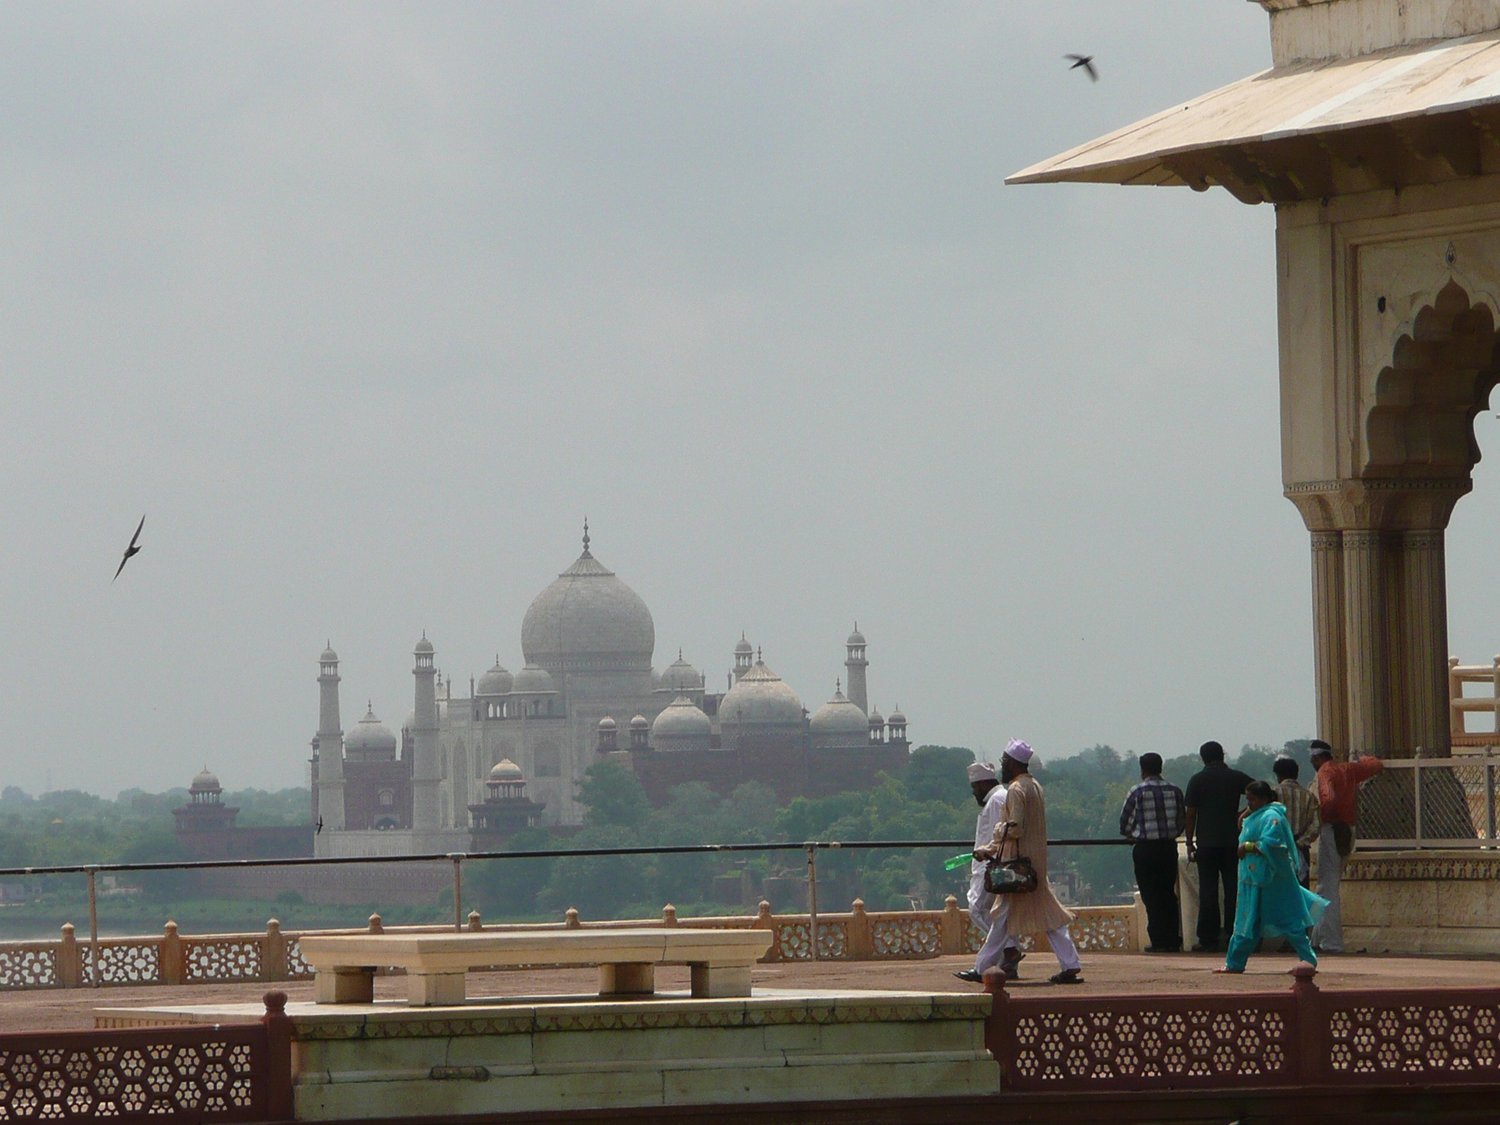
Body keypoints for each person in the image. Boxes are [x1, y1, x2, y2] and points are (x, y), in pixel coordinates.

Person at [975, 739, 1084, 984]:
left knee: (1001, 918)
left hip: (1016, 867)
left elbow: (1014, 828)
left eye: (1004, 762)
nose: (1002, 766)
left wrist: (996, 831)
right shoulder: (1034, 786)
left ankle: (981, 968)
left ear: (1013, 763)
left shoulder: (1016, 789)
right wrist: (988, 849)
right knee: (1050, 918)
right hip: (1033, 864)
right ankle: (1070, 964)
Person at [1214, 780, 1329, 974]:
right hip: (1252, 879)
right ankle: (1234, 963)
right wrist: (1247, 812)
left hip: (1270, 879)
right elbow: (1242, 825)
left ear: (1264, 798)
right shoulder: (1256, 815)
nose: (1249, 803)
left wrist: (1248, 847)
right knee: (1247, 921)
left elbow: (1273, 843)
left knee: (1289, 920)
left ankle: (1308, 960)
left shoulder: (1272, 816)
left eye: (1252, 799)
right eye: (1247, 799)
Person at [1309, 740, 1384, 953]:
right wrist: (1365, 758)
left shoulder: (1325, 772)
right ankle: (1316, 938)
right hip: (1348, 830)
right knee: (1328, 884)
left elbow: (1329, 799)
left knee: (1327, 886)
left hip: (1332, 829)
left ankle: (1331, 941)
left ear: (1317, 758)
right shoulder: (1348, 769)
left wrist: (1322, 820)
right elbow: (1375, 766)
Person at [954, 761, 1021, 983]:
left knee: (978, 907)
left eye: (975, 787)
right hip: (987, 864)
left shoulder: (997, 800)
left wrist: (988, 856)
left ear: (983, 784)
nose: (974, 792)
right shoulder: (997, 798)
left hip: (990, 865)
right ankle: (1007, 959)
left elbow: (998, 836)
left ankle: (1009, 949)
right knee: (994, 913)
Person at [1183, 741, 1253, 952]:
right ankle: (1235, 934)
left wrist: (1189, 842)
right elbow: (1263, 793)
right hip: (1232, 843)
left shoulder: (1197, 780)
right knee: (1233, 891)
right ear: (1222, 755)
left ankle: (1208, 939)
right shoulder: (1236, 777)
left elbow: (1191, 814)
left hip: (1206, 843)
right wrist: (1243, 813)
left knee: (1208, 892)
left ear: (1203, 758)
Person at [1119, 752, 1185, 952]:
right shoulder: (1175, 790)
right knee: (1168, 894)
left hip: (1146, 848)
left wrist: (1131, 834)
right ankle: (1172, 939)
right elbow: (1181, 821)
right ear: (1160, 767)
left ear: (1143, 770)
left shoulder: (1137, 791)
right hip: (1168, 847)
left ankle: (1158, 940)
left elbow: (1125, 821)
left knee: (1150, 895)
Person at [1272, 755, 1320, 887]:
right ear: (1296, 774)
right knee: (1300, 890)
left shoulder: (1272, 794)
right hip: (1301, 850)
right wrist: (1299, 843)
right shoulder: (1309, 796)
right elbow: (1316, 826)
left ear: (1278, 775)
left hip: (1276, 848)